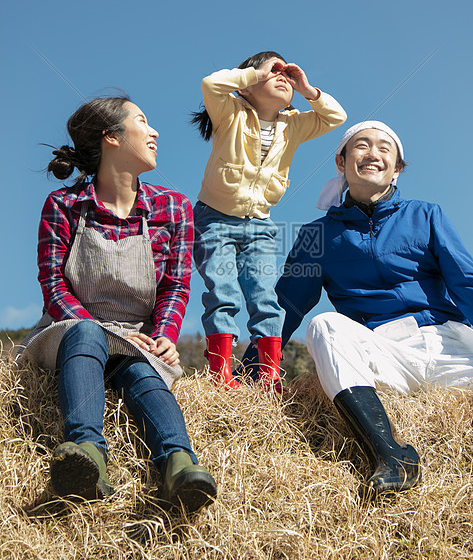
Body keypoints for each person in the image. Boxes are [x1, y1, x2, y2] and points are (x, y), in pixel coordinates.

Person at [18, 96, 217, 512]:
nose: (155, 132)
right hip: (68, 331)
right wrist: (98, 327)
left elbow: (176, 287)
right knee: (88, 332)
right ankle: (86, 452)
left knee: (143, 372)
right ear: (111, 137)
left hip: (136, 338)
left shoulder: (174, 207)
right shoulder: (64, 206)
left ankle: (179, 464)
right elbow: (54, 287)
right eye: (143, 121)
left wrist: (162, 335)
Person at [265, 120, 473, 494]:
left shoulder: (426, 214)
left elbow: (465, 281)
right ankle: (392, 455)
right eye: (361, 146)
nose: (372, 153)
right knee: (324, 324)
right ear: (340, 163)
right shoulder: (317, 234)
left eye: (384, 148)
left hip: (448, 344)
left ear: (397, 168)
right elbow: (289, 303)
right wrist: (258, 364)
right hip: (383, 354)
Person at [191, 51, 347, 391]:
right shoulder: (229, 111)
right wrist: (253, 74)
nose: (281, 76)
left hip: (260, 224)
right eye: (272, 70)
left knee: (265, 297)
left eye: (285, 74)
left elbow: (336, 116)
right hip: (214, 218)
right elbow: (210, 84)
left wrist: (305, 88)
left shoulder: (293, 126)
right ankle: (221, 373)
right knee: (223, 291)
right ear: (246, 85)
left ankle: (269, 375)